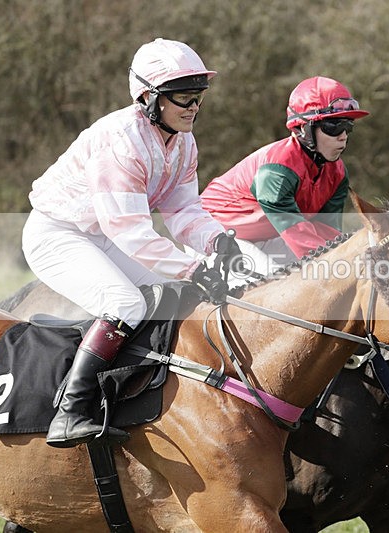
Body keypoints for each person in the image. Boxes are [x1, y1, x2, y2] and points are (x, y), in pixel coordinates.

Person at [22, 38, 239, 449]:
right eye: (183, 97)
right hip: (58, 235)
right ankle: (71, 412)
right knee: (126, 304)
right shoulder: (119, 141)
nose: (194, 106)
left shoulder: (182, 140)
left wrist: (217, 242)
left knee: (179, 295)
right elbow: (130, 230)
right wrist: (192, 265)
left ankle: (131, 393)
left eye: (199, 96)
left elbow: (184, 210)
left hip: (102, 236)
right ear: (148, 97)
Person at [199, 76, 369, 269]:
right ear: (303, 128)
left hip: (265, 236)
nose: (343, 136)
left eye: (348, 126)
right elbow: (304, 242)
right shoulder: (277, 171)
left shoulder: (337, 173)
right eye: (334, 126)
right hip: (213, 232)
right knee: (275, 285)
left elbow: (327, 236)